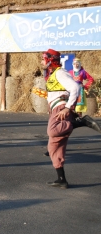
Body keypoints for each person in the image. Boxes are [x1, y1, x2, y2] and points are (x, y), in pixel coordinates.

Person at [41, 49, 101, 189]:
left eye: (43, 58)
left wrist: (68, 108)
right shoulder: (53, 73)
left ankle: (78, 121)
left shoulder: (60, 73)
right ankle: (62, 179)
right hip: (56, 107)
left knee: (53, 131)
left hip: (61, 109)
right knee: (53, 147)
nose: (41, 61)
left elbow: (75, 87)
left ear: (51, 60)